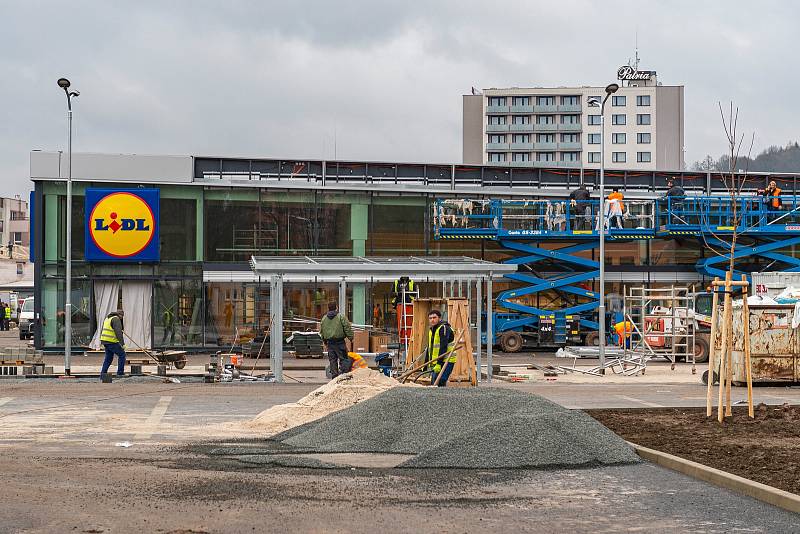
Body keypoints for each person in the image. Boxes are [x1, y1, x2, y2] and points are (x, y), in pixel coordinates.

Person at [319, 301, 354, 379]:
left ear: (328, 308)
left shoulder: (324, 318)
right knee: (344, 359)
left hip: (330, 343)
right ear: (336, 307)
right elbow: (347, 327)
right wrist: (351, 337)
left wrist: (324, 341)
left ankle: (334, 378)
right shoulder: (341, 317)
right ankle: (343, 376)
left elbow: (322, 331)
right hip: (340, 342)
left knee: (332, 360)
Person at [426, 309, 456, 387]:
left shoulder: (444, 328)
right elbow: (430, 347)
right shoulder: (432, 330)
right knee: (434, 382)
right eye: (430, 318)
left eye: (434, 318)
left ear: (439, 318)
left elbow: (443, 347)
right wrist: (428, 362)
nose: (432, 320)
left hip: (447, 360)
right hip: (437, 361)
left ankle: (442, 398)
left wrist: (439, 363)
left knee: (441, 381)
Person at [100, 309, 127, 378]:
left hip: (105, 340)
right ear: (120, 315)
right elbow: (118, 333)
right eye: (122, 317)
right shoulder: (116, 319)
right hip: (111, 341)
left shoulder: (108, 318)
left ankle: (103, 374)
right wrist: (122, 344)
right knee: (122, 355)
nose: (121, 318)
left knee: (108, 358)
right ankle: (120, 373)